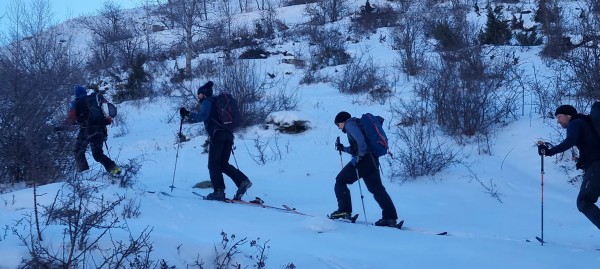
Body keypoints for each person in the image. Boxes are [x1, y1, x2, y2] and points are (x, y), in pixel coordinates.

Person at [179, 81, 252, 201]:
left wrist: (188, 114)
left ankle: (219, 191)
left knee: (213, 164)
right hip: (228, 134)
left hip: (217, 135)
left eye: (199, 94)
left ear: (204, 94)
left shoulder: (208, 102)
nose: (198, 97)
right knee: (223, 164)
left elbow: (202, 116)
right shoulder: (218, 103)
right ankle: (243, 181)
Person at [538, 105, 600, 230]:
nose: (558, 121)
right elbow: (591, 145)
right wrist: (581, 160)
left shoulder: (575, 123)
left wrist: (549, 152)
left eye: (560, 117)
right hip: (595, 163)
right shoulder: (585, 123)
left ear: (569, 116)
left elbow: (570, 141)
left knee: (584, 202)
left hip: (597, 164)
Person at [331, 111, 399, 226]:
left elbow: (361, 142)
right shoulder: (357, 125)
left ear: (342, 121)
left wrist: (360, 156)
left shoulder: (349, 124)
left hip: (364, 160)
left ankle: (344, 211)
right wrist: (342, 148)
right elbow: (356, 148)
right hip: (372, 160)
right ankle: (389, 218)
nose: (339, 127)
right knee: (377, 189)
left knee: (340, 180)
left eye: (338, 124)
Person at [66, 85, 121, 175]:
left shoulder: (76, 102)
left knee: (78, 151)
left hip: (86, 131)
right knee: (98, 154)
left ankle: (85, 174)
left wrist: (62, 127)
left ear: (76, 94)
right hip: (100, 129)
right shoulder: (94, 100)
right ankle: (114, 169)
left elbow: (71, 119)